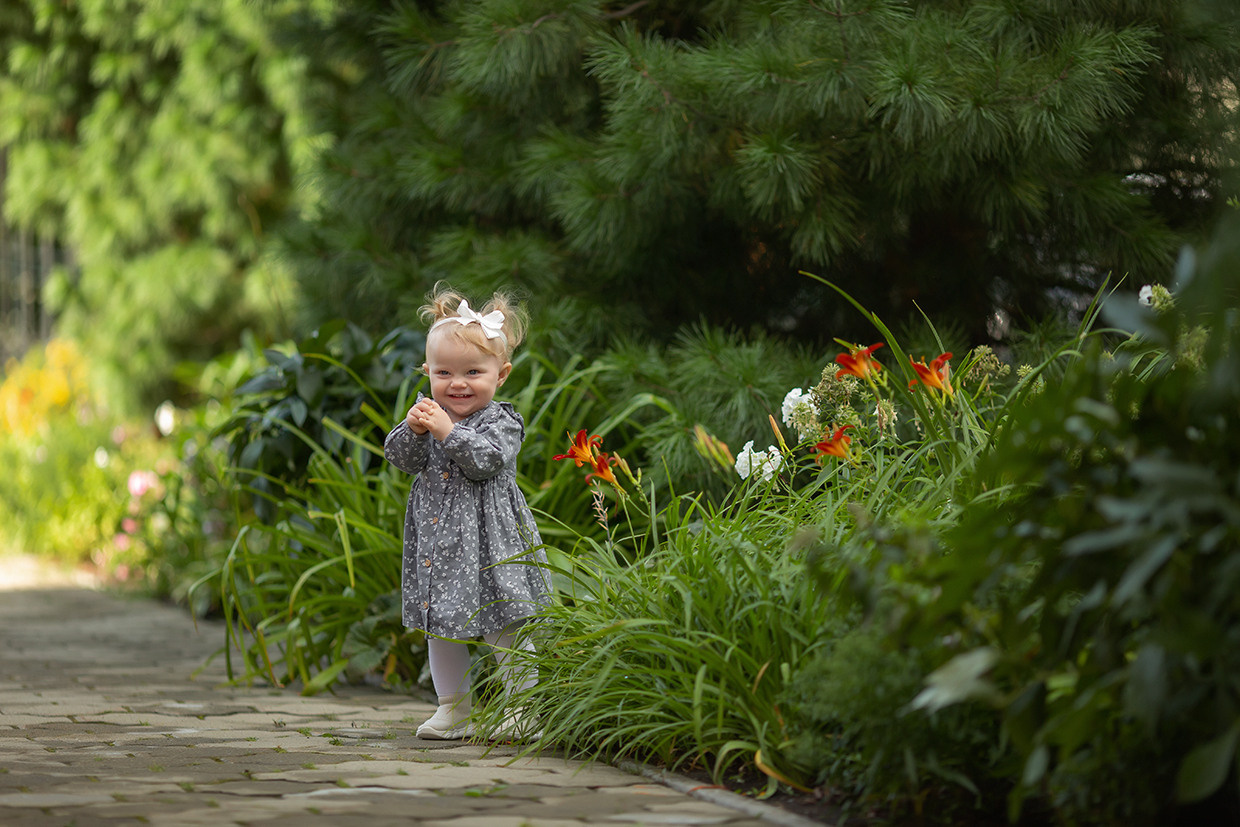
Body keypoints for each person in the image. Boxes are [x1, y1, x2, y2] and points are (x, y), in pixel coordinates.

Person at [384, 285, 549, 741]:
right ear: (428, 372)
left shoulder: (502, 421)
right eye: (444, 372)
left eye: (473, 372)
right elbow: (401, 458)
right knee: (442, 630)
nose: (457, 383)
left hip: (490, 546)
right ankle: (452, 709)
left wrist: (447, 432)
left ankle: (523, 709)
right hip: (441, 547)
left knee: (504, 625)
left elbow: (486, 462)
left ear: (501, 375)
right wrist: (414, 430)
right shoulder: (430, 415)